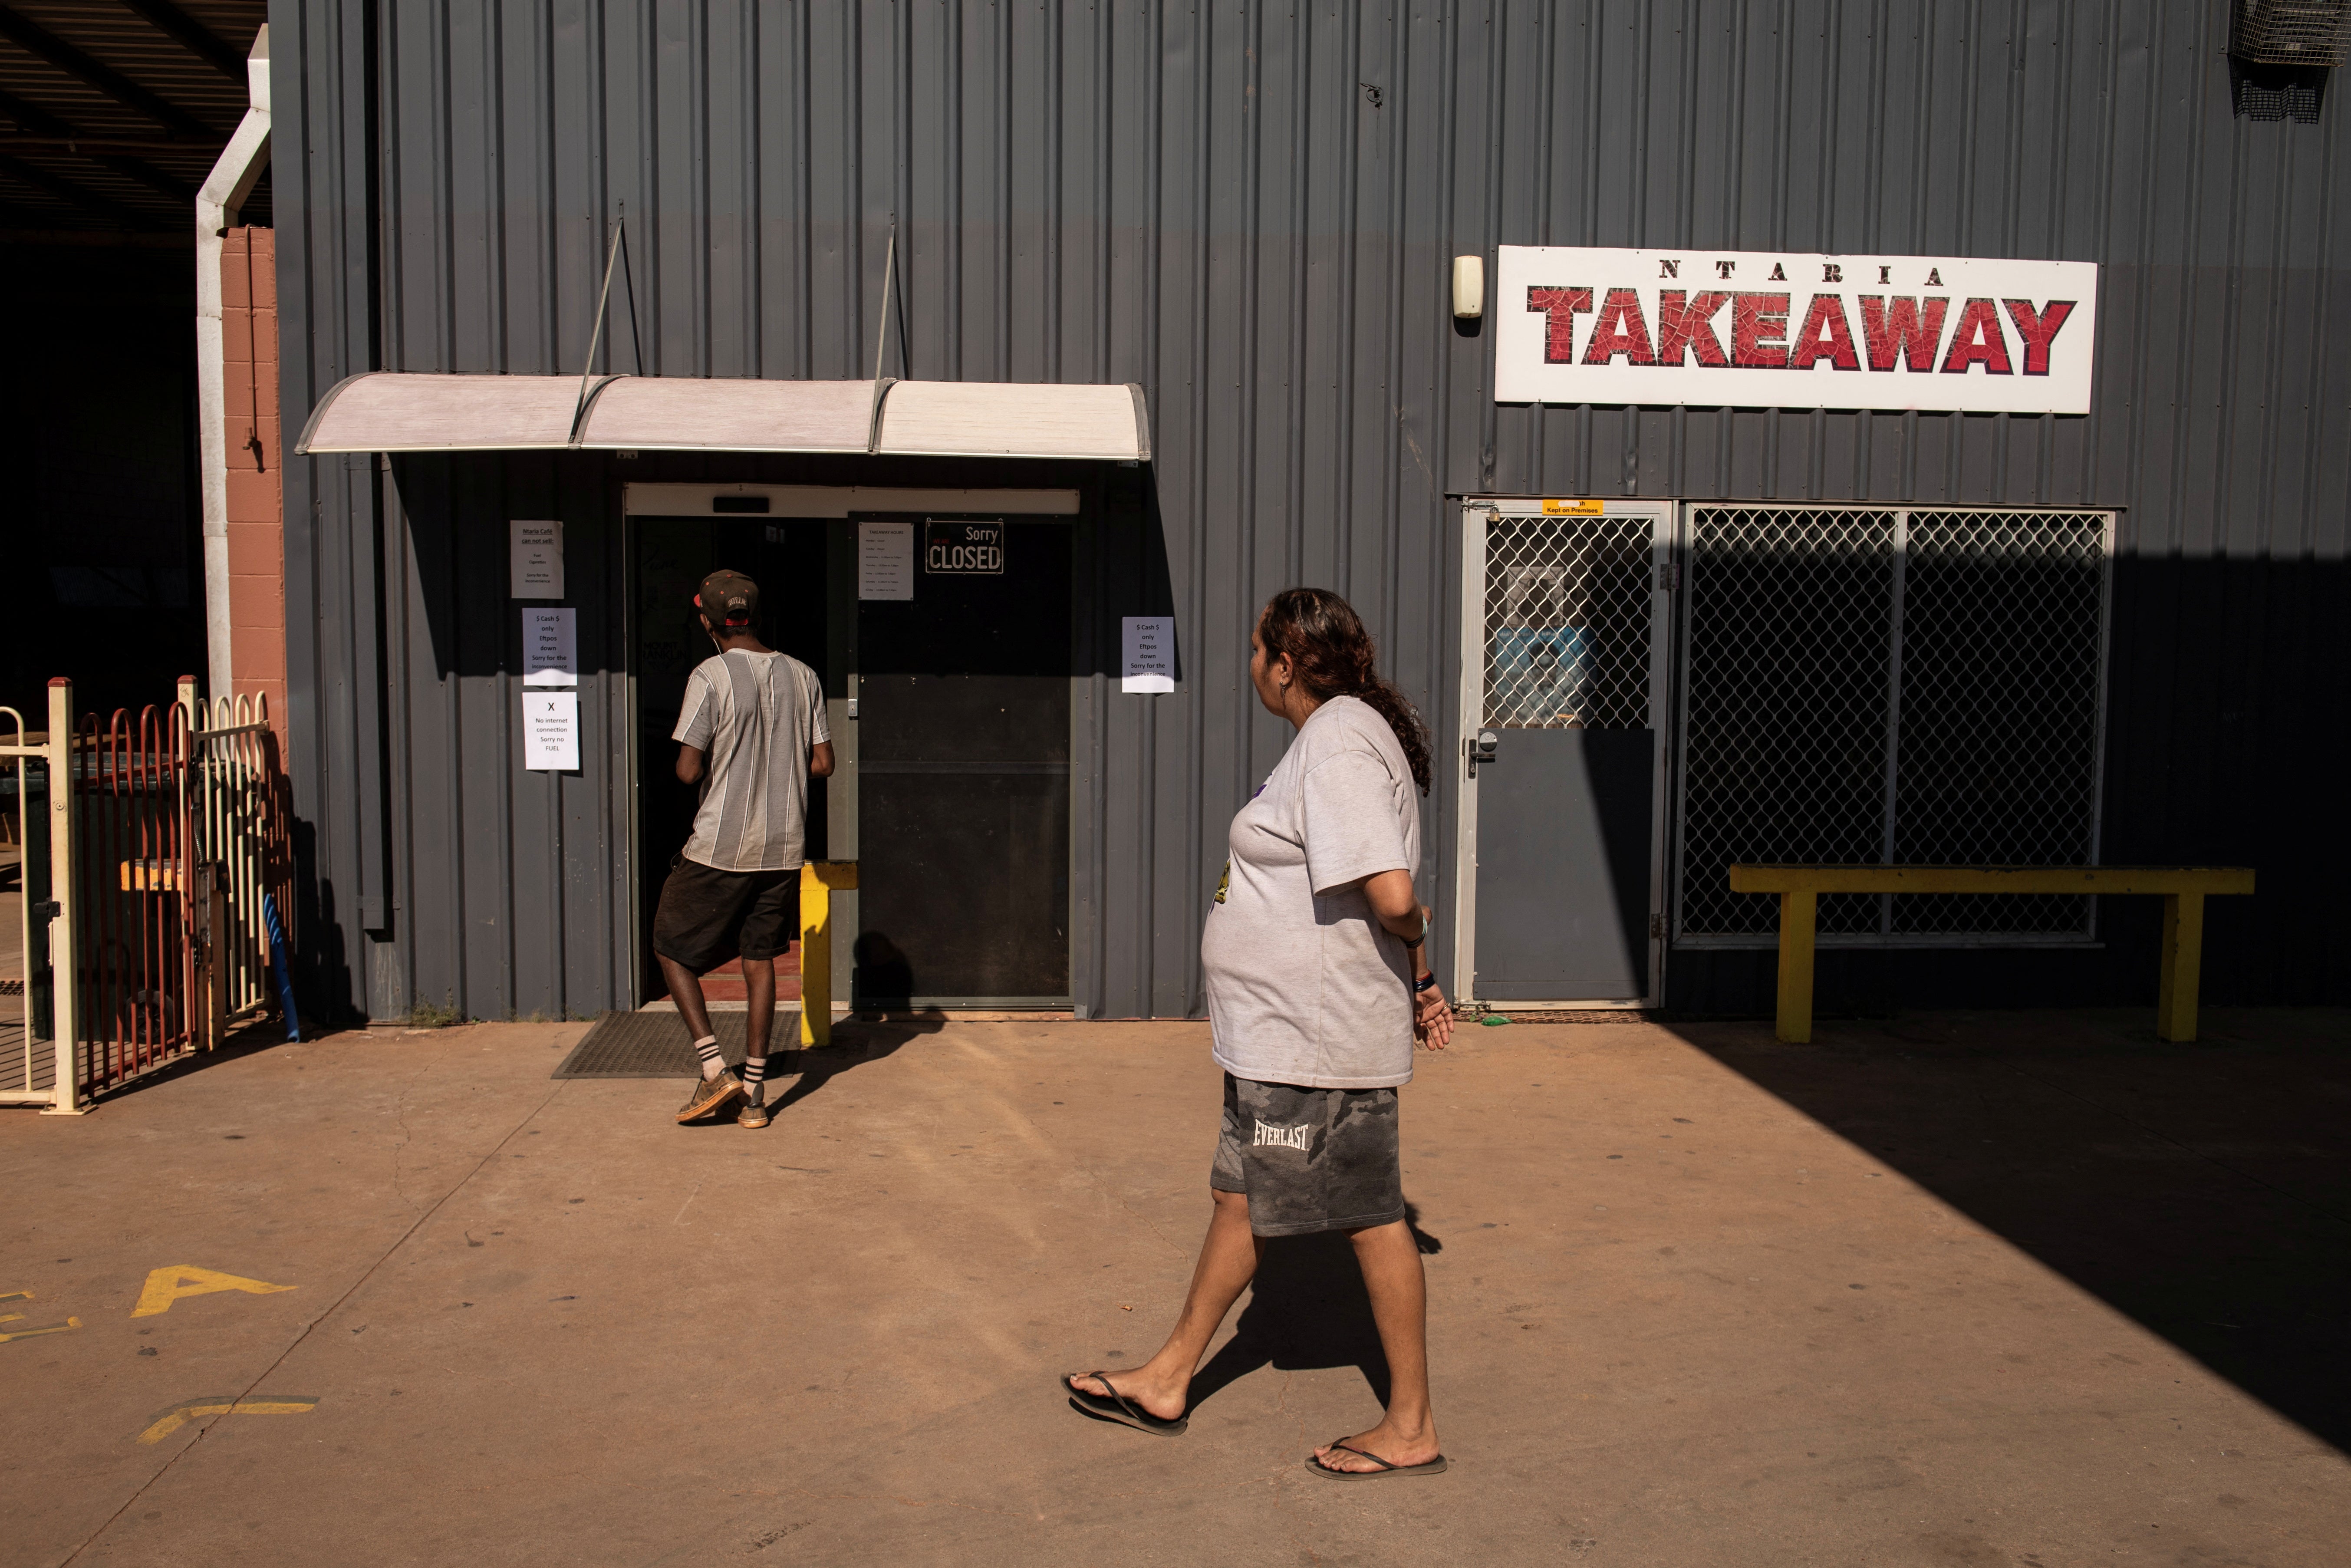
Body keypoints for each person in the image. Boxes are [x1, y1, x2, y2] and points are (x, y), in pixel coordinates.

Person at [1062, 587, 1455, 1481]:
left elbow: (1390, 894)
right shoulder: (1331, 740)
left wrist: (1415, 956)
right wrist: (1422, 981)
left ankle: (1410, 1424)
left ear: (1285, 662)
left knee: (1367, 1216)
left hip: (1314, 1041)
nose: (1247, 665)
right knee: (1240, 1198)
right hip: (1282, 1039)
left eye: (1252, 650)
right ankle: (1167, 1378)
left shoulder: (1339, 743)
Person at [654, 568, 834, 1129]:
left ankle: (714, 1071)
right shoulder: (803, 676)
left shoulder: (709, 676)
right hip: (783, 846)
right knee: (761, 961)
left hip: (720, 848)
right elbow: (823, 762)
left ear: (707, 620)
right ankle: (755, 1098)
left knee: (670, 946)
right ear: (756, 616)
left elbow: (687, 771)